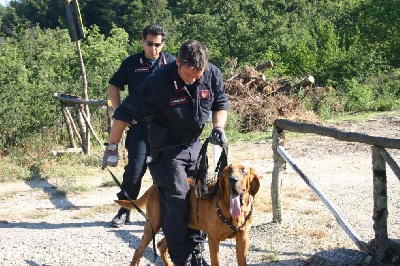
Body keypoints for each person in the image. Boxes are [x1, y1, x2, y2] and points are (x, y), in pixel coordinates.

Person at [102, 40, 229, 265]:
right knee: (178, 197)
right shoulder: (158, 82)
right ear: (178, 62)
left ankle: (196, 253)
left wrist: (218, 127)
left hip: (194, 146)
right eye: (189, 75)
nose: (194, 79)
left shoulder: (211, 74)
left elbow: (220, 102)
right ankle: (182, 258)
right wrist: (112, 147)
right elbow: (124, 112)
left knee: (201, 196)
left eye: (198, 75)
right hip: (166, 149)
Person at [107, 24, 176, 228]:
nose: (153, 48)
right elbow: (114, 85)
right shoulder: (131, 62)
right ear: (142, 41)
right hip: (139, 126)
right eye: (149, 43)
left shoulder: (171, 62)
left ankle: (169, 213)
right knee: (135, 170)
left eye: (157, 44)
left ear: (162, 44)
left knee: (169, 169)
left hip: (165, 127)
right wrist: (121, 112)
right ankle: (125, 209)